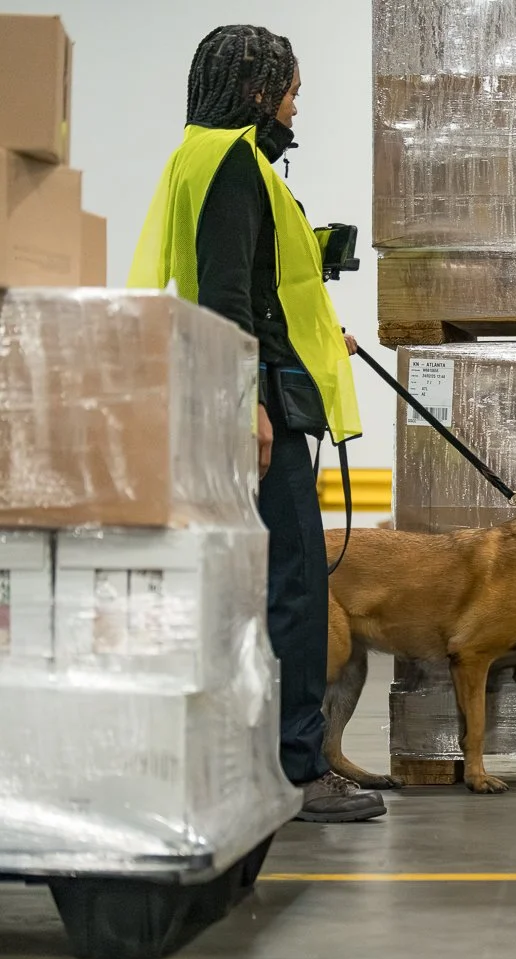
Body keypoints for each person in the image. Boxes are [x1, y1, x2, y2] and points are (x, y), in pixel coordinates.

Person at [129, 25, 385, 822]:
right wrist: (252, 408)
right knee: (295, 587)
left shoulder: (202, 156)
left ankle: (260, 762)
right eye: (292, 90)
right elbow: (225, 298)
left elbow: (255, 280)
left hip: (246, 391)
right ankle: (299, 770)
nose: (297, 107)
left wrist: (316, 332)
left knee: (258, 587)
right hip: (254, 405)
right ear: (258, 89)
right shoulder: (233, 163)